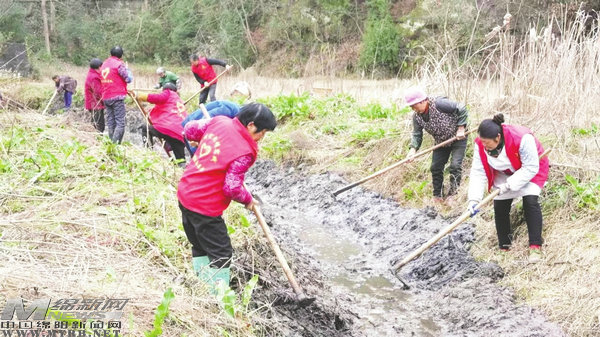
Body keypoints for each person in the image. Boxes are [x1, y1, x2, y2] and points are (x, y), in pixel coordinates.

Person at [177, 103, 277, 293]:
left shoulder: (219, 121)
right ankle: (218, 299)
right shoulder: (245, 151)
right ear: (251, 125)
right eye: (262, 132)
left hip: (185, 193)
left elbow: (189, 129)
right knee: (221, 254)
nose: (262, 138)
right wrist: (248, 200)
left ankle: (202, 287)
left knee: (199, 244)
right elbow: (231, 187)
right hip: (204, 206)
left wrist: (200, 139)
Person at [466, 113, 549, 262]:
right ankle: (504, 247)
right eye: (482, 142)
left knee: (530, 202)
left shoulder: (522, 138)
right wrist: (473, 200)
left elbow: (530, 167)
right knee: (500, 206)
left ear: (498, 138)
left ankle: (535, 247)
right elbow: (478, 172)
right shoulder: (480, 144)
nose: (483, 145)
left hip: (530, 170)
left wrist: (510, 185)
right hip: (504, 172)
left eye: (487, 143)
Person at [404, 87, 468, 203]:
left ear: (423, 101)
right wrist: (413, 150)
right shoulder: (417, 117)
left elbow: (461, 107)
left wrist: (461, 128)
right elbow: (417, 134)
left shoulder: (439, 104)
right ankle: (437, 195)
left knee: (455, 165)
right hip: (441, 142)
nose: (413, 109)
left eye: (415, 105)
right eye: (411, 107)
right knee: (435, 167)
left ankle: (453, 195)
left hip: (458, 138)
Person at [133, 83, 188, 165]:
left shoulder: (168, 93)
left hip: (169, 129)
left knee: (145, 128)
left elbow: (158, 98)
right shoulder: (178, 100)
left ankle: (148, 153)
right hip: (180, 134)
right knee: (181, 161)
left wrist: (139, 95)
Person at [100, 46, 133, 144]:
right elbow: (128, 79)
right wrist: (127, 69)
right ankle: (115, 146)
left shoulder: (104, 64)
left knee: (111, 121)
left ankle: (111, 142)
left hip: (106, 96)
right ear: (121, 55)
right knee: (120, 123)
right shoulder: (119, 64)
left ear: (110, 54)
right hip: (117, 97)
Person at [84, 58, 105, 133]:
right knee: (99, 125)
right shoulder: (94, 77)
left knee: (96, 123)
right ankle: (97, 141)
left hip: (94, 103)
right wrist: (106, 100)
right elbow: (98, 92)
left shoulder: (92, 74)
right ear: (99, 67)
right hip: (95, 104)